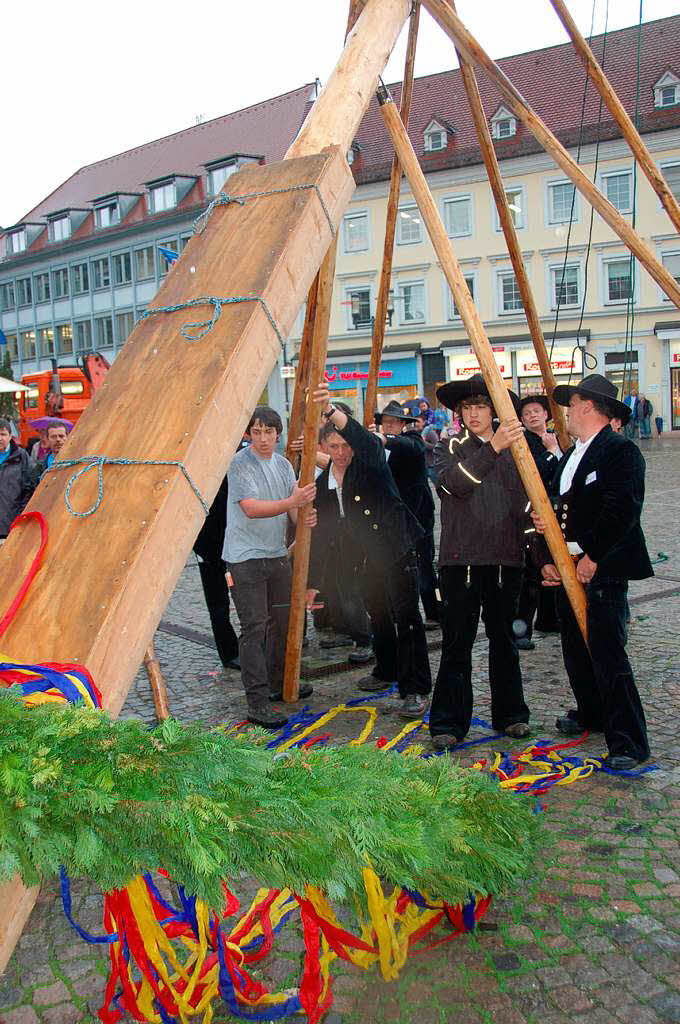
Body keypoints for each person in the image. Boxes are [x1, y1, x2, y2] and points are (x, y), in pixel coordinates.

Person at [533, 373, 652, 771]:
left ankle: (629, 742)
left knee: (608, 654)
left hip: (602, 569)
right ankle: (593, 712)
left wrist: (593, 557)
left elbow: (622, 509)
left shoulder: (620, 451)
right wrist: (546, 558)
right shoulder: (571, 455)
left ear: (586, 406)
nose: (565, 414)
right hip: (569, 567)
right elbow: (547, 508)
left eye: (571, 405)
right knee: (576, 651)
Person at [307, 387, 432, 719]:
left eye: (345, 445)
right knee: (378, 615)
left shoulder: (371, 462)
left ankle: (415, 688)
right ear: (323, 448)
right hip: (364, 558)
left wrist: (331, 410)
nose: (341, 452)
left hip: (395, 548)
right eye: (333, 446)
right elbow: (320, 534)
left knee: (406, 619)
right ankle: (386, 669)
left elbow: (364, 439)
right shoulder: (323, 485)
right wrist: (312, 583)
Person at [429, 374, 531, 751]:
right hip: (461, 562)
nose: (473, 413)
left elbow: (526, 505)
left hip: (506, 561)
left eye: (481, 406)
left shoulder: (517, 450)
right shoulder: (447, 447)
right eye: (467, 407)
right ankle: (448, 723)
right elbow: (455, 483)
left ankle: (512, 715)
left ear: (495, 411)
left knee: (505, 641)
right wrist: (493, 448)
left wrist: (535, 552)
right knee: (457, 643)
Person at [224, 406, 316, 729]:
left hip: (276, 555)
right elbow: (250, 509)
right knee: (255, 629)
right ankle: (258, 703)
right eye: (257, 432)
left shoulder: (284, 466)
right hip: (244, 558)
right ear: (249, 434)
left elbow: (293, 514)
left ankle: (281, 683)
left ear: (279, 434)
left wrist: (304, 516)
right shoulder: (239, 464)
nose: (263, 438)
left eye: (269, 432)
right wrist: (293, 504)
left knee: (285, 622)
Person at [375, 400, 440, 628]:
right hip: (393, 518)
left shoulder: (412, 440)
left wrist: (385, 439)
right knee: (394, 566)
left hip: (419, 515)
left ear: (403, 424)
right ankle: (397, 612)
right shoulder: (379, 449)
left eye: (394, 423)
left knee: (424, 566)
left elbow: (407, 446)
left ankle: (435, 612)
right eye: (386, 423)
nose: (389, 426)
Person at [514, 394, 562, 648]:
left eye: (537, 411)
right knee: (532, 571)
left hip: (556, 512)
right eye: (527, 413)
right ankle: (521, 630)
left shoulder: (556, 436)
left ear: (546, 414)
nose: (533, 415)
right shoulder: (525, 442)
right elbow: (535, 472)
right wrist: (552, 453)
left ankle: (549, 618)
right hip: (531, 512)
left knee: (553, 567)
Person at [193, 467, 242, 673]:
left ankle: (250, 647)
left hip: (236, 542)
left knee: (245, 598)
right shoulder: (194, 475)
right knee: (218, 604)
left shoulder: (231, 467)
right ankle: (229, 652)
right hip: (209, 546)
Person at [0, 417, 35, 541]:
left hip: (13, 523)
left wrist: (21, 514)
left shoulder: (21, 456)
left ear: (10, 436)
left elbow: (30, 487)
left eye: (3, 434)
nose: (0, 438)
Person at [415, 412, 441, 487]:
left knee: (439, 487)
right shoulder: (416, 433)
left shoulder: (430, 433)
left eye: (418, 421)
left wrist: (423, 442)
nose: (416, 424)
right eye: (415, 422)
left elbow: (436, 447)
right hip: (422, 466)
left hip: (431, 466)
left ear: (424, 422)